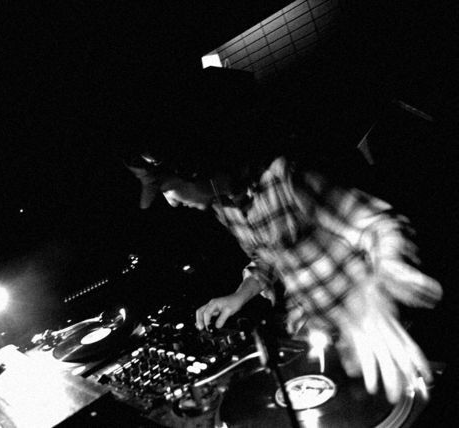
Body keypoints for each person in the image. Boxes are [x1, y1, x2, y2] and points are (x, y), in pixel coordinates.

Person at [125, 142, 443, 405]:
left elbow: (379, 227)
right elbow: (268, 254)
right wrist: (240, 295)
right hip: (319, 343)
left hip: (377, 333)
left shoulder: (286, 177)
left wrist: (378, 286)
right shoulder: (223, 206)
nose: (171, 202)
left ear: (192, 169)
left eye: (167, 188)